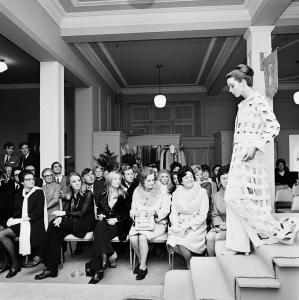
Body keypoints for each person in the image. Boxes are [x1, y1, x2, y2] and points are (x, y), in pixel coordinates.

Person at [224, 64, 298, 255]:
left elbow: (274, 126)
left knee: (234, 197)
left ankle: (276, 229)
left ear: (242, 82)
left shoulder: (258, 100)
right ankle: (237, 245)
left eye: (232, 85)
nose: (231, 90)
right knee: (231, 198)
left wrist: (255, 146)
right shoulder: (242, 104)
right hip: (238, 155)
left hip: (251, 154)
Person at [34, 172, 95, 279]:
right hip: (73, 223)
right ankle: (51, 269)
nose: (77, 183)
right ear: (70, 184)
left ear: (82, 181)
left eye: (78, 180)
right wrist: (59, 218)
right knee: (55, 231)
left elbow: (82, 213)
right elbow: (66, 210)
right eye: (73, 181)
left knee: (55, 224)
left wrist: (62, 215)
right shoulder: (71, 194)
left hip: (85, 224)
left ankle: (40, 255)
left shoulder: (88, 193)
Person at [0, 170, 47, 278]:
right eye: (28, 179)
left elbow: (38, 211)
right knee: (1, 232)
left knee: (1, 234)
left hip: (34, 223)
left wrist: (25, 218)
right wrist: (16, 220)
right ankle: (12, 261)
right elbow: (16, 212)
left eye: (32, 178)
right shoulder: (18, 195)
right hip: (22, 222)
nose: (31, 181)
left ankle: (14, 263)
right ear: (22, 182)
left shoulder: (38, 192)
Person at [89, 171, 130, 284]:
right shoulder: (103, 193)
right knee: (100, 226)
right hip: (104, 223)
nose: (117, 181)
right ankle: (105, 260)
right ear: (109, 180)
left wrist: (117, 219)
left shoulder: (124, 194)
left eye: (119, 179)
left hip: (118, 225)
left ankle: (101, 265)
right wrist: (100, 215)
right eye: (114, 179)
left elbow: (128, 214)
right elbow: (100, 210)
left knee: (98, 234)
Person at [129, 167, 171, 280]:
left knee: (142, 237)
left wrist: (154, 213)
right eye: (148, 180)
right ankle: (143, 259)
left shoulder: (162, 189)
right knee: (133, 239)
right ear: (142, 181)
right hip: (141, 223)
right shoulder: (137, 191)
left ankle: (142, 266)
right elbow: (132, 210)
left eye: (153, 180)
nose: (152, 182)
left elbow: (167, 208)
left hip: (158, 223)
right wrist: (135, 214)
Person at [167, 166, 209, 269]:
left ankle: (189, 264)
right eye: (186, 177)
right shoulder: (177, 192)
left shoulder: (202, 191)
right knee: (171, 242)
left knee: (182, 243)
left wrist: (188, 225)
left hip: (196, 225)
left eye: (191, 176)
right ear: (181, 180)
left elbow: (203, 215)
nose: (189, 179)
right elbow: (174, 212)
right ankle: (190, 260)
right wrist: (176, 224)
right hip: (180, 223)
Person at [206, 165, 229, 256]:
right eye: (223, 179)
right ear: (219, 180)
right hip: (221, 226)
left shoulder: (239, 194)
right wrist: (220, 224)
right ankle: (213, 261)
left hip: (235, 227)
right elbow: (215, 214)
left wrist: (228, 225)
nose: (226, 181)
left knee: (217, 237)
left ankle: (222, 262)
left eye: (228, 178)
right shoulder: (216, 196)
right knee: (209, 237)